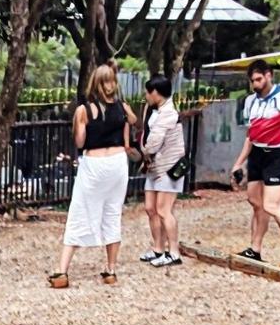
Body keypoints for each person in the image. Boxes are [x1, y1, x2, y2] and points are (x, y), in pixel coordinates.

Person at [48, 63, 137, 288]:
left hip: (95, 164)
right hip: (118, 163)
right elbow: (133, 121)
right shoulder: (123, 107)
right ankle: (110, 270)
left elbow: (80, 142)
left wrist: (79, 125)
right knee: (113, 212)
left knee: (79, 210)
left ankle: (62, 271)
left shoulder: (84, 110)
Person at [230, 59, 280, 272]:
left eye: (259, 79)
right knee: (256, 201)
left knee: (273, 205)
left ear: (269, 75)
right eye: (252, 81)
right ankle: (255, 249)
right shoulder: (251, 101)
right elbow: (251, 135)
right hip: (258, 152)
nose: (255, 84)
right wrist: (238, 163)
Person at [139, 74, 186, 268]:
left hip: (169, 166)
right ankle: (158, 248)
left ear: (156, 92)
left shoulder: (168, 113)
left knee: (164, 210)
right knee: (150, 208)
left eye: (148, 92)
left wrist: (143, 151)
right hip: (154, 167)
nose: (146, 96)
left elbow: (154, 142)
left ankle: (173, 252)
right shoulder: (155, 111)